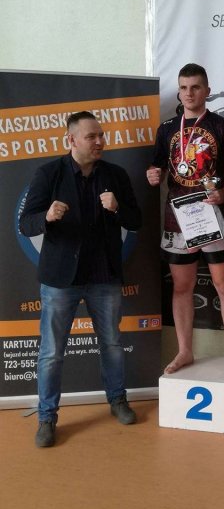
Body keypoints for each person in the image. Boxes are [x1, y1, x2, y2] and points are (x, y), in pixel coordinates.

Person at [19, 111, 142, 448]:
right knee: (51, 352)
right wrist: (46, 216)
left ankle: (118, 400)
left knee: (112, 344)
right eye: (91, 136)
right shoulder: (48, 174)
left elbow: (136, 220)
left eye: (101, 135)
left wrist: (117, 208)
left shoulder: (115, 175)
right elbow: (25, 224)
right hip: (61, 280)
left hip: (104, 276)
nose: (99, 141)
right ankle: (47, 417)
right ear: (71, 140)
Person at [147, 63, 224, 377]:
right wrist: (153, 174)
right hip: (179, 217)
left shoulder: (222, 126)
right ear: (179, 91)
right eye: (184, 88)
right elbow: (158, 167)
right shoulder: (166, 129)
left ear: (207, 91)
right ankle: (185, 351)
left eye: (196, 87)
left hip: (215, 214)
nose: (189, 93)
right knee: (181, 287)